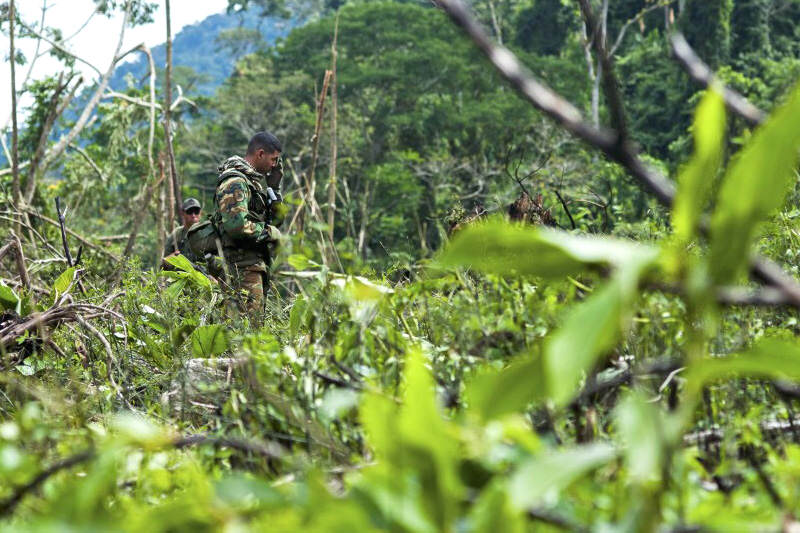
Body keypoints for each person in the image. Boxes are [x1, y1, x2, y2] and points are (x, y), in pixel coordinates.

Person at [213, 131, 285, 313]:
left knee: (253, 330)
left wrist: (274, 188)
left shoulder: (254, 184)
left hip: (253, 266)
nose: (275, 165)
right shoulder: (235, 182)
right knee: (245, 332)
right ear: (260, 154)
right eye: (273, 159)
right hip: (241, 268)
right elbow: (236, 226)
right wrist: (269, 233)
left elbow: (276, 220)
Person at [164, 197, 203, 262]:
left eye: (196, 211)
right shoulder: (176, 234)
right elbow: (164, 263)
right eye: (189, 211)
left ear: (200, 213)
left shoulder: (207, 232)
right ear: (183, 213)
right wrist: (172, 259)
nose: (193, 215)